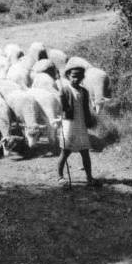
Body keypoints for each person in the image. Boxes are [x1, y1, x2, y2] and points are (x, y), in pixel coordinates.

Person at [57, 59, 101, 188]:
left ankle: (89, 178)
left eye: (78, 77)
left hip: (80, 123)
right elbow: (62, 107)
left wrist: (89, 121)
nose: (75, 79)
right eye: (73, 76)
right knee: (65, 152)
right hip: (69, 124)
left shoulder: (84, 91)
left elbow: (86, 109)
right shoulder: (64, 90)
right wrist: (64, 105)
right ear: (68, 76)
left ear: (82, 78)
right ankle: (60, 176)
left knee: (85, 151)